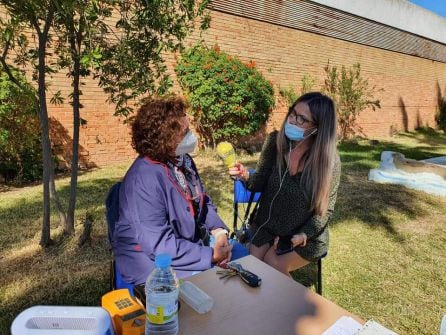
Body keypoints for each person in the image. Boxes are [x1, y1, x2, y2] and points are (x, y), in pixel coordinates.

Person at [112, 96, 237, 285]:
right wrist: (210, 255)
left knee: (241, 260)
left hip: (183, 246)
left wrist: (219, 232)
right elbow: (160, 246)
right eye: (185, 133)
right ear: (164, 140)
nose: (192, 137)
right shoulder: (144, 179)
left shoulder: (182, 160)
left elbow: (201, 201)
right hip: (151, 261)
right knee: (215, 285)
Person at [229, 92, 341, 276]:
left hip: (304, 235)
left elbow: (325, 210)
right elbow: (260, 181)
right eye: (292, 113)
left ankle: (286, 304)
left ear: (318, 128)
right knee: (251, 265)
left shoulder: (329, 162)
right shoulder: (275, 142)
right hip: (267, 225)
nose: (292, 121)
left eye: (301, 119)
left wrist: (303, 234)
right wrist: (245, 176)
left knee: (273, 265)